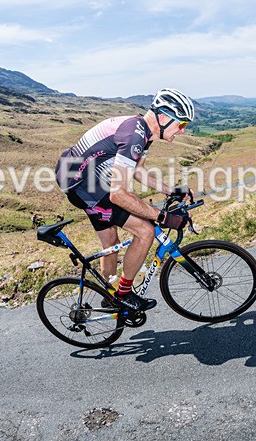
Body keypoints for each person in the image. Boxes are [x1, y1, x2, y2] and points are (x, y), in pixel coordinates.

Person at [55, 88, 195, 311]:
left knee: (111, 241)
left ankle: (110, 295)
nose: (183, 130)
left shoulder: (143, 131)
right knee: (145, 231)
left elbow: (138, 171)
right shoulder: (134, 136)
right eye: (182, 124)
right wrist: (163, 217)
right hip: (82, 185)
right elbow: (117, 195)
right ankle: (123, 294)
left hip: (80, 178)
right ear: (164, 118)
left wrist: (170, 191)